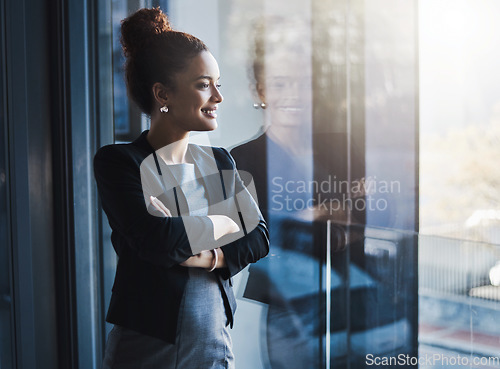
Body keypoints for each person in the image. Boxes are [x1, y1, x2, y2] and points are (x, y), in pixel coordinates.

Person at [93, 7, 269, 369]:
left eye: (218, 83)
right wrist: (222, 225)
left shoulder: (219, 160)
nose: (217, 97)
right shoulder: (119, 162)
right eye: (204, 84)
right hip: (145, 353)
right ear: (163, 94)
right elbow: (155, 241)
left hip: (214, 348)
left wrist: (201, 254)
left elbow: (258, 238)